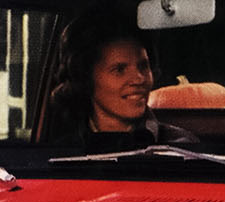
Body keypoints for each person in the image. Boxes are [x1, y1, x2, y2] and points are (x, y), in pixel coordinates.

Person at [45, 10, 194, 146]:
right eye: (119, 70)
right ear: (85, 78)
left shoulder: (180, 146)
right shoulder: (63, 150)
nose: (139, 79)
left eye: (143, 66)